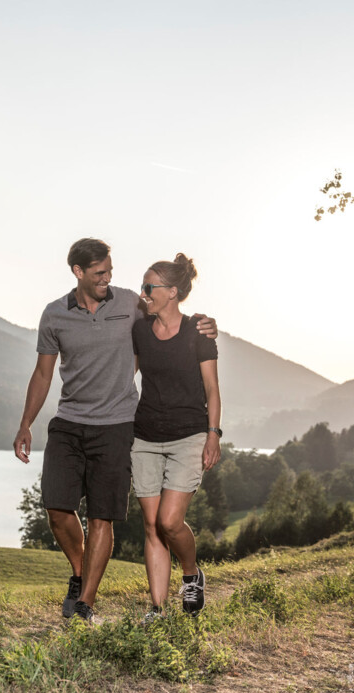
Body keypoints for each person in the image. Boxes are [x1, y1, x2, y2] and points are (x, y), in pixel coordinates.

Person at [13, 238, 216, 623]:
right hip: (69, 422)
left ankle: (85, 603)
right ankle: (80, 572)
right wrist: (26, 423)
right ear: (78, 272)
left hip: (118, 425)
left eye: (110, 270)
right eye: (99, 273)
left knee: (102, 517)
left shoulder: (129, 303)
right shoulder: (54, 315)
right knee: (57, 508)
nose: (108, 278)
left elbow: (171, 313)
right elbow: (42, 373)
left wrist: (207, 324)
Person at [131, 253, 221, 621]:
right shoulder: (139, 330)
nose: (143, 293)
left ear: (171, 292)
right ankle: (157, 608)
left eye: (149, 287)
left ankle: (191, 573)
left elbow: (212, 389)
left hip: (189, 436)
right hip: (145, 437)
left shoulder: (198, 331)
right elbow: (125, 377)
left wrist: (213, 434)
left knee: (169, 521)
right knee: (151, 526)